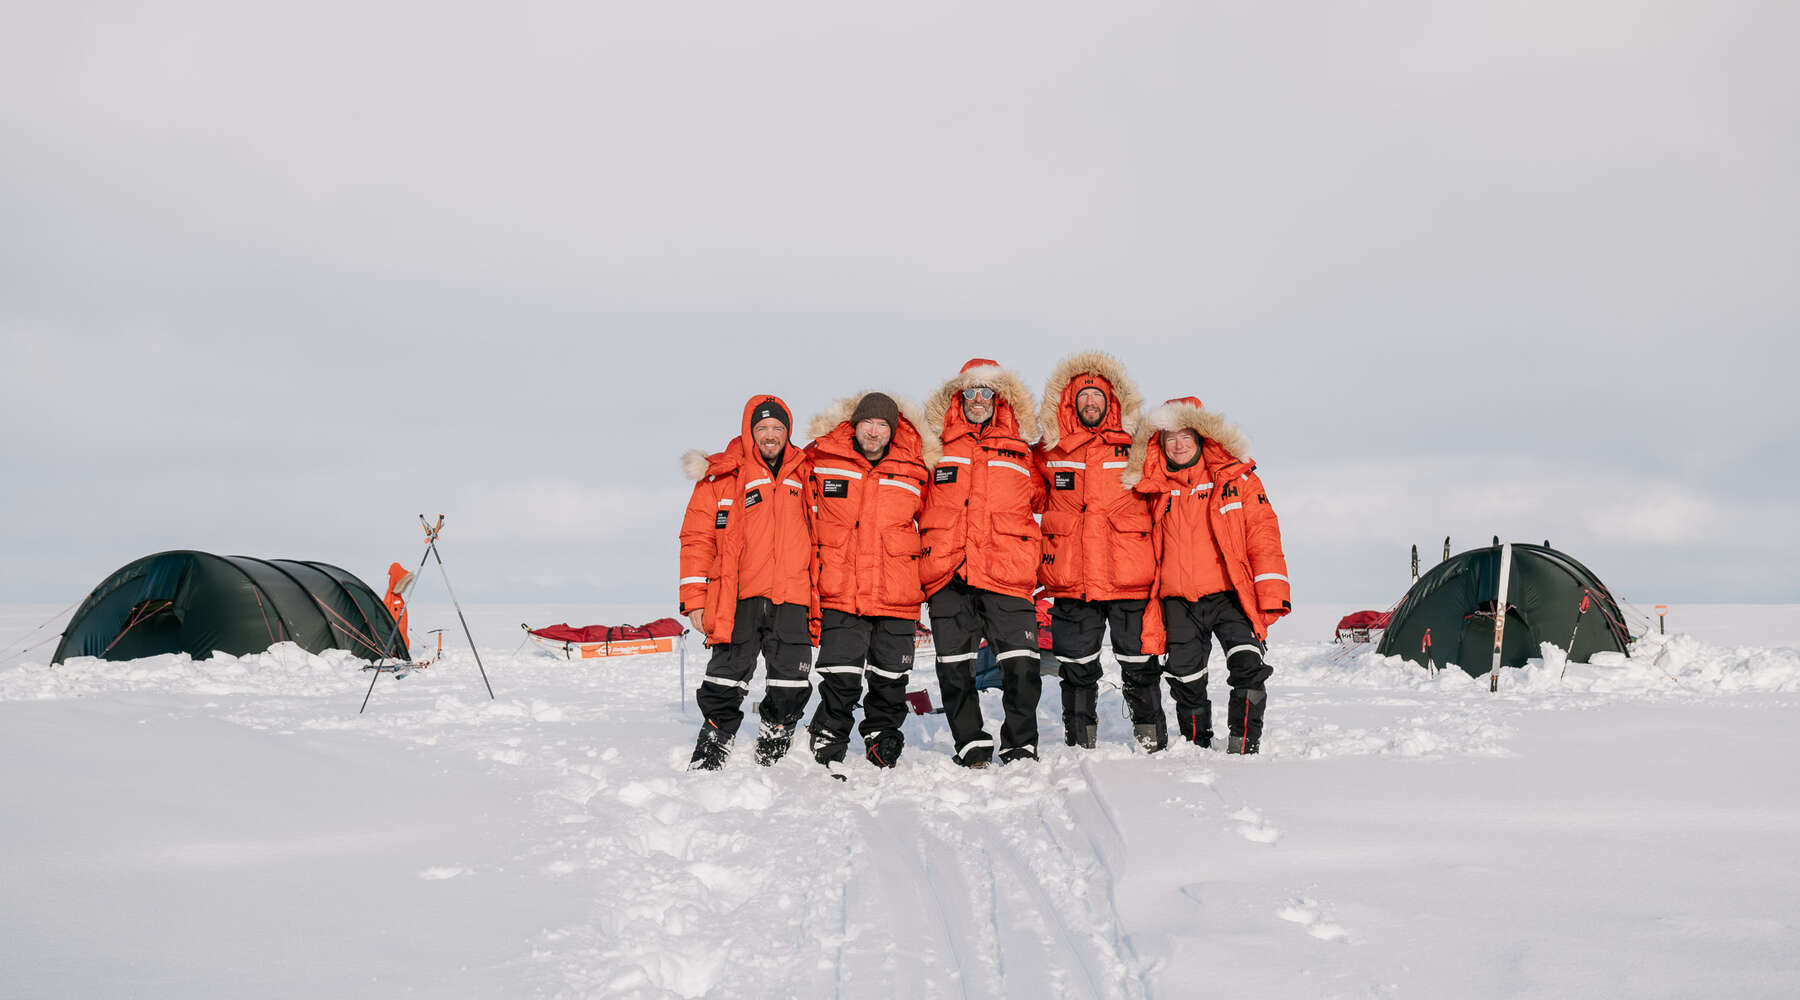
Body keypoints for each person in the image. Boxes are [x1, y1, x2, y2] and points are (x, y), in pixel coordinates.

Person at [1132, 397, 1290, 754]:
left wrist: (1271, 593)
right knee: (1186, 678)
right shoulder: (1152, 488)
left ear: (1202, 438)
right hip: (1177, 600)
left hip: (1228, 596)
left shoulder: (1236, 479)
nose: (1179, 444)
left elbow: (1263, 536)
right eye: (1170, 437)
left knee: (1248, 664)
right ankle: (1196, 745)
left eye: (1186, 435)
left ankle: (1244, 743)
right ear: (1160, 444)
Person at [678, 394, 818, 770]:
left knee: (791, 677)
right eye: (762, 429)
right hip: (737, 595)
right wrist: (694, 598)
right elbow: (696, 538)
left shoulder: (806, 472)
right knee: (726, 673)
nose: (770, 435)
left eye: (777, 428)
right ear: (749, 431)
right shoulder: (722, 475)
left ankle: (778, 729)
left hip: (792, 592)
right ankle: (715, 736)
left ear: (788, 431)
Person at [919, 358, 1046, 767]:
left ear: (999, 397)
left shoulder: (1024, 448)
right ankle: (970, 742)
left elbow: (1059, 498)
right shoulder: (935, 446)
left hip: (1006, 570)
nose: (977, 400)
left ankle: (1020, 742)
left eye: (986, 392)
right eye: (970, 392)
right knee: (954, 668)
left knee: (1023, 666)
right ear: (958, 397)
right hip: (949, 571)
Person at [1031, 351, 1160, 750]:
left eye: (1098, 397)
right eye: (1083, 397)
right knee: (1076, 667)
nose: (1091, 403)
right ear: (1070, 403)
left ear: (1113, 402)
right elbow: (1025, 496)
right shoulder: (1050, 451)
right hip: (1073, 578)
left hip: (1129, 577)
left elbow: (1169, 494)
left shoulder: (1139, 447)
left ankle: (1150, 736)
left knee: (1140, 666)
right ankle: (1080, 738)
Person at [802, 391, 934, 769]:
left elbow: (936, 523)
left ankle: (882, 734)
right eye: (867, 424)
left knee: (890, 678)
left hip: (897, 591)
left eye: (881, 425)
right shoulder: (822, 460)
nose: (874, 432)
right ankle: (829, 732)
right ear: (854, 425)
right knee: (840, 677)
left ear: (892, 430)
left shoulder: (915, 470)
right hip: (842, 591)